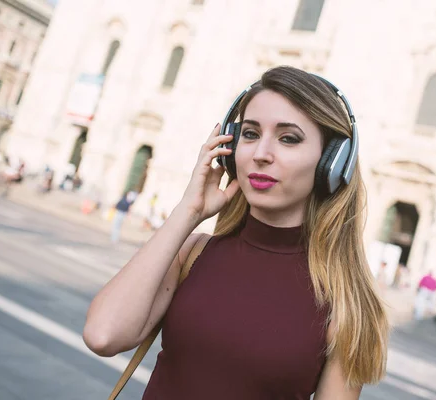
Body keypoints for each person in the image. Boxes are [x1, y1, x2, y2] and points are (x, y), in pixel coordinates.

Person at [83, 66, 389, 399]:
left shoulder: (344, 304)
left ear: (332, 162)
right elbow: (103, 335)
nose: (260, 154)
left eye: (288, 138)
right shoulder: (192, 253)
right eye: (250, 134)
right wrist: (188, 213)